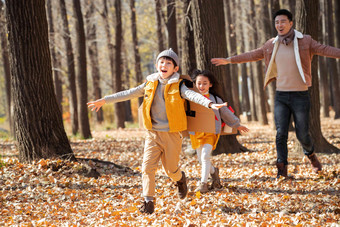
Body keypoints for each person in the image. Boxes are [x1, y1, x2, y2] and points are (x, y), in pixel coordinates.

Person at [87, 49, 228, 214]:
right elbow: (129, 93)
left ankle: (180, 179)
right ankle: (148, 201)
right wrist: (104, 100)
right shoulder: (149, 83)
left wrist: (210, 104)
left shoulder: (179, 85)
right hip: (152, 133)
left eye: (169, 63)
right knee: (147, 168)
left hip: (171, 134)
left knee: (171, 170)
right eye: (161, 62)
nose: (164, 65)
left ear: (175, 68)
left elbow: (192, 95)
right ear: (156, 65)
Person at [211, 9, 340, 178]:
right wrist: (229, 60)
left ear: (291, 23)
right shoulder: (271, 44)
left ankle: (310, 155)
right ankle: (282, 169)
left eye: (283, 21)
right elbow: (253, 54)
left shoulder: (305, 41)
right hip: (281, 96)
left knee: (303, 134)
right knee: (281, 134)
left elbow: (325, 49)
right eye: (277, 22)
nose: (279, 25)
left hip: (301, 95)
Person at [189, 69, 249, 193]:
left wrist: (237, 125)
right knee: (201, 160)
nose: (201, 86)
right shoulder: (191, 98)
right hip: (196, 132)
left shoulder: (215, 99)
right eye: (199, 83)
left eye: (205, 83)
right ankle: (214, 172)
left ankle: (203, 184)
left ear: (210, 84)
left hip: (211, 132)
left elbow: (226, 113)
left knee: (205, 156)